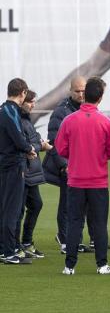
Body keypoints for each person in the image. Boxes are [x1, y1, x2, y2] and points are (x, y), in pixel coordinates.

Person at [54, 77, 110, 275]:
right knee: (99, 224)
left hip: (75, 180)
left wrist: (75, 154)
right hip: (98, 181)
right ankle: (101, 264)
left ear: (84, 95)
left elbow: (60, 148)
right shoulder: (106, 122)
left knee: (74, 222)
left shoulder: (69, 120)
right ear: (100, 97)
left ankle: (69, 266)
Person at [41, 76, 93, 254]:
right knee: (67, 204)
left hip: (83, 165)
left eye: (83, 91)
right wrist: (64, 166)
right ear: (70, 91)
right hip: (67, 166)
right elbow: (54, 141)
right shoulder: (61, 112)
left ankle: (75, 240)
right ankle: (65, 241)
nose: (81, 94)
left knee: (82, 204)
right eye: (77, 91)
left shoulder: (87, 109)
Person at [0, 78, 36, 264]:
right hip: (12, 165)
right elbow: (17, 136)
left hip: (5, 164)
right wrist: (29, 149)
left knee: (5, 207)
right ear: (23, 92)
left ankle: (4, 249)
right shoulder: (11, 111)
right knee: (12, 209)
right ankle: (9, 253)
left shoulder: (3, 109)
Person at [17, 90, 51, 258]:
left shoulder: (26, 119)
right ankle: (15, 245)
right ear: (22, 101)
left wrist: (39, 143)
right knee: (18, 211)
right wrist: (40, 146)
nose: (33, 105)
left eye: (34, 102)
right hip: (23, 172)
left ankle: (25, 243)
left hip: (31, 173)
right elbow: (23, 145)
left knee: (35, 205)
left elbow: (33, 140)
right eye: (30, 102)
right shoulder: (18, 120)